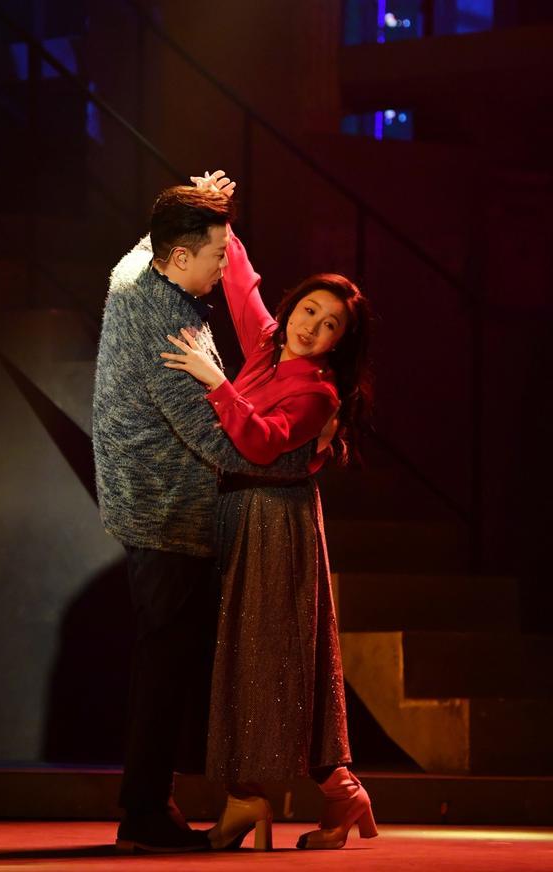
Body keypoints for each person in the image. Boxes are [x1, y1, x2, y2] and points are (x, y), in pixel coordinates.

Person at [92, 183, 326, 854]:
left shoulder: (135, 274)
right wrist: (304, 459)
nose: (227, 266)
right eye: (218, 254)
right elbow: (219, 443)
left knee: (166, 661)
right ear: (180, 257)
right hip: (167, 511)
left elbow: (149, 240)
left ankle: (155, 804)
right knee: (164, 666)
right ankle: (145, 814)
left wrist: (192, 199)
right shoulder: (170, 328)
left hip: (145, 500)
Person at [160, 171, 377, 851]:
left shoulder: (317, 392)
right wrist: (218, 211)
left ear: (340, 341)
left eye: (331, 325)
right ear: (293, 309)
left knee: (266, 658)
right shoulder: (265, 345)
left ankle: (280, 795)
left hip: (276, 523)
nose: (314, 327)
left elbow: (259, 441)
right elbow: (238, 280)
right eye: (310, 311)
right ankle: (316, 794)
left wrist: (214, 381)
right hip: (240, 514)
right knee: (244, 659)